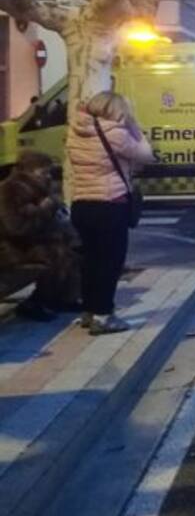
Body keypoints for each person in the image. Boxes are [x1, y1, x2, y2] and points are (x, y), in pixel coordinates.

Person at [67, 92, 155, 334]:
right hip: (109, 204)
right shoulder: (116, 134)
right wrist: (135, 128)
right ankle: (104, 315)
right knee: (110, 262)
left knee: (90, 261)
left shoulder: (76, 132)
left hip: (81, 204)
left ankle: (89, 310)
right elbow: (146, 155)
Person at [0, 151, 80, 321]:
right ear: (28, 172)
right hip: (14, 248)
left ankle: (63, 298)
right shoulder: (11, 190)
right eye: (43, 172)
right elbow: (15, 228)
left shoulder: (39, 189)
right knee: (55, 254)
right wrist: (44, 209)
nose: (49, 176)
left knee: (74, 248)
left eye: (49, 172)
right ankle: (37, 302)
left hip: (30, 242)